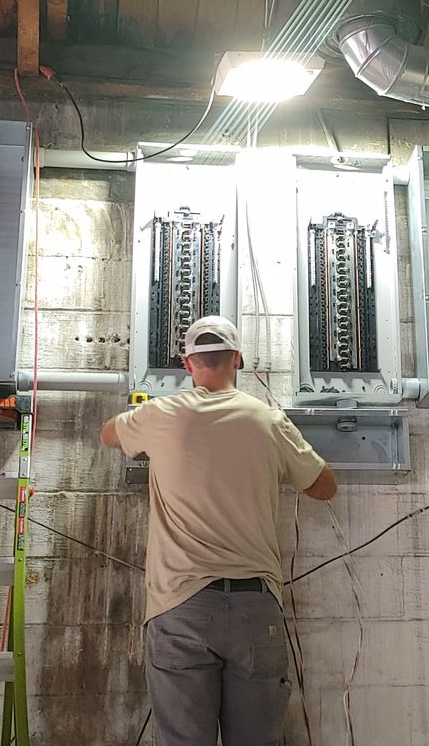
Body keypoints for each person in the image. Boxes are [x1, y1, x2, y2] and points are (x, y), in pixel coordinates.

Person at [101, 315, 338, 746]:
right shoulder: (267, 420)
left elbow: (108, 434)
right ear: (238, 360)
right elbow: (324, 487)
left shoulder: (161, 414)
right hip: (254, 610)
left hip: (180, 606)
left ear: (187, 364)